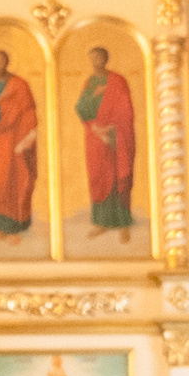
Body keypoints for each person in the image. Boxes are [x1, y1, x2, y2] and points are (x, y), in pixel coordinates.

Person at [0, 47, 38, 238]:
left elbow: (28, 112)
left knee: (15, 182)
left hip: (14, 141)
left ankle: (16, 229)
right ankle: (1, 228)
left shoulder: (19, 85)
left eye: (0, 61)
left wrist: (26, 138)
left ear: (7, 62)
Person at [75, 44, 136, 238]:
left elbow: (125, 109)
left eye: (99, 58)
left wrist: (111, 129)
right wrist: (95, 127)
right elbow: (81, 108)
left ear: (105, 59)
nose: (96, 62)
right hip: (94, 136)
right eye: (92, 58)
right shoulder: (89, 82)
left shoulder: (117, 81)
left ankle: (123, 223)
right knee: (98, 176)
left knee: (119, 176)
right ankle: (102, 222)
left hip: (115, 135)